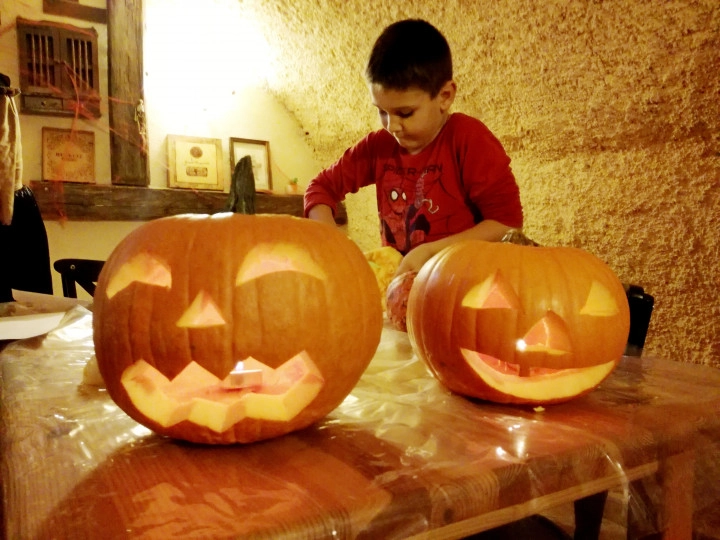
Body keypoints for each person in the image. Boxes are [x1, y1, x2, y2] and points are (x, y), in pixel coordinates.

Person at [303, 19, 523, 275]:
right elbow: (320, 188)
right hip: (400, 286)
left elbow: (507, 225)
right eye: (382, 112)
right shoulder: (378, 146)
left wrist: (432, 252)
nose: (392, 126)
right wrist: (334, 245)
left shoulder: (469, 140)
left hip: (461, 283)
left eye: (405, 113)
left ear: (445, 97)